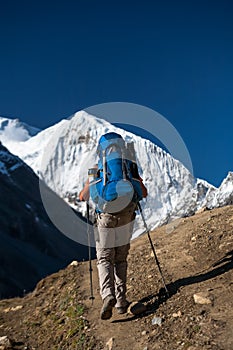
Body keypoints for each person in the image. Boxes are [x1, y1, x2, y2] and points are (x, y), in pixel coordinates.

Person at [79, 134, 147, 320]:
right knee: (121, 259)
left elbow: (82, 197)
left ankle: (108, 295)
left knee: (104, 259)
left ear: (102, 150)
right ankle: (121, 301)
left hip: (106, 218)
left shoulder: (96, 169)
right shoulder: (129, 167)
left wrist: (92, 181)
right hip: (127, 216)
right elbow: (143, 192)